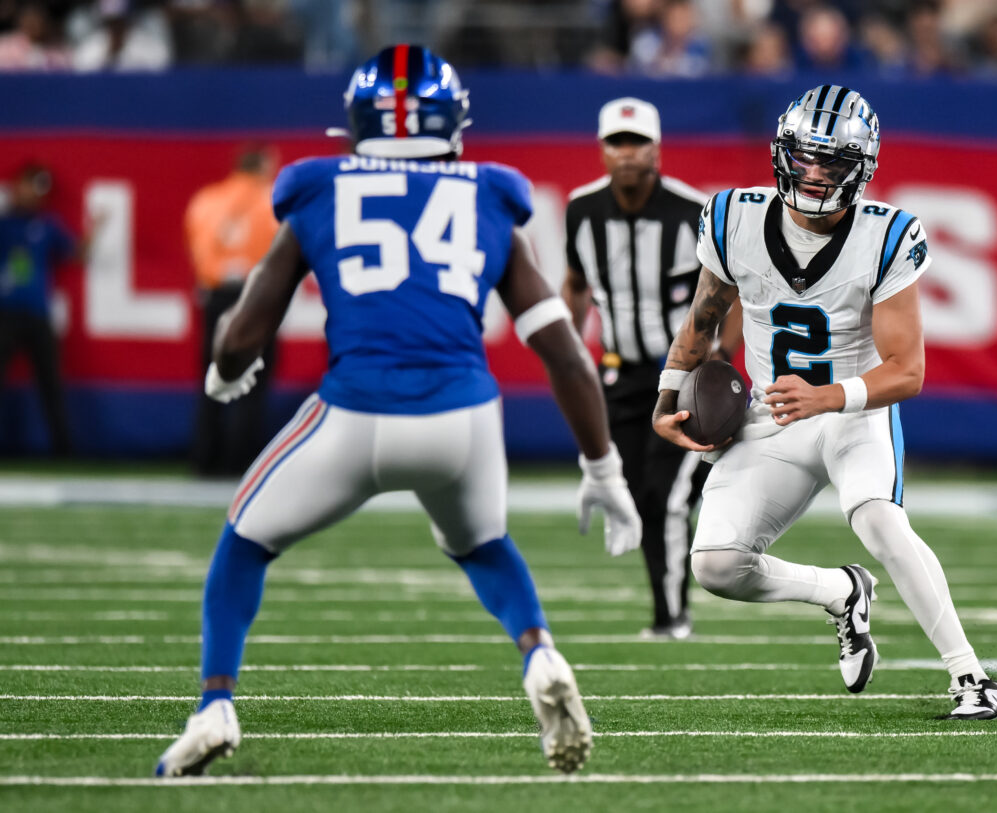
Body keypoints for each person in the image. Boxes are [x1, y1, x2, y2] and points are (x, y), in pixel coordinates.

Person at [155, 45, 643, 778]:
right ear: (453, 121)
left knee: (244, 542)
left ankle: (215, 702)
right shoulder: (488, 195)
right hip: (463, 419)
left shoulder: (316, 187)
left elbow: (244, 331)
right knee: (481, 543)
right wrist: (603, 467)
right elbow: (567, 355)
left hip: (354, 413)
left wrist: (227, 374)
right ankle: (538, 651)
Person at [652, 85, 997, 719]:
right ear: (781, 155)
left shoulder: (886, 235)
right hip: (774, 417)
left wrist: (830, 396)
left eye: (834, 163)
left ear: (863, 169)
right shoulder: (732, 217)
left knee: (878, 519)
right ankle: (839, 591)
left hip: (853, 413)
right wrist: (666, 394)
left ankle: (973, 681)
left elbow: (907, 372)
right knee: (714, 565)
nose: (816, 175)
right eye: (805, 158)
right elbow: (704, 320)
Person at [562, 97, 739, 640]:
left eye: (637, 142)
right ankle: (670, 606)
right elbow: (574, 284)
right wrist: (569, 351)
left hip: (681, 380)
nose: (627, 153)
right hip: (617, 375)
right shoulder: (582, 210)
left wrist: (719, 363)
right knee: (637, 495)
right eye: (617, 142)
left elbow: (732, 296)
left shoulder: (694, 211)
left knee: (664, 497)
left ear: (657, 149)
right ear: (602, 149)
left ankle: (671, 618)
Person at [184, 143, 280, 477]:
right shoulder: (271, 198)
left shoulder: (207, 200)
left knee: (214, 376)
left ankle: (204, 459)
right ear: (263, 165)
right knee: (252, 383)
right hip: (256, 295)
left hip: (217, 296)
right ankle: (240, 461)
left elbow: (196, 246)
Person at [0, 163, 76, 456]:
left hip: (37, 313)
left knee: (51, 384)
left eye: (40, 189)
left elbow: (74, 252)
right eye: (31, 186)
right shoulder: (5, 223)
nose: (35, 194)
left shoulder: (47, 225)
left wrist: (96, 230)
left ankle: (64, 449)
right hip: (5, 314)